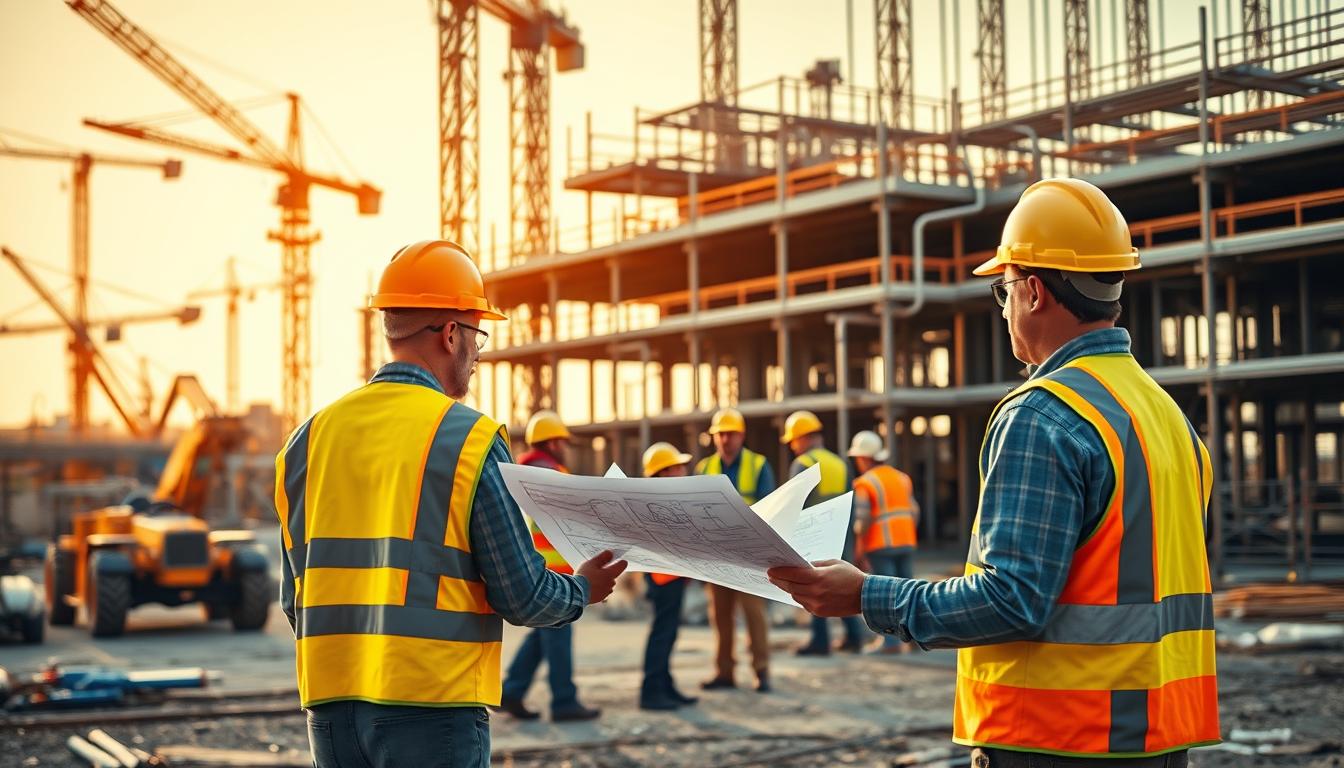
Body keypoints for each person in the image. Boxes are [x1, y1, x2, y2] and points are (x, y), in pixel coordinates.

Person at [769, 179, 1219, 766]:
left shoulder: (1044, 416)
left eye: (1003, 290)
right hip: (1156, 738)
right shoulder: (1166, 417)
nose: (1004, 307)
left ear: (1033, 291)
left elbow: (1011, 600)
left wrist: (866, 595)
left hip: (1057, 739)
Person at [275, 240, 626, 768]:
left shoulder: (308, 438)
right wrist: (581, 590)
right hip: (432, 705)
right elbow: (522, 595)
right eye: (477, 335)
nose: (479, 354)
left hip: (330, 708)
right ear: (450, 333)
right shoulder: (468, 438)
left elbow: (294, 598)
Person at [498, 410, 602, 721]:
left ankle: (512, 691)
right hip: (557, 570)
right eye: (562, 442)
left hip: (540, 566)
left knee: (544, 634)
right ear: (553, 442)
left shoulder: (521, 470)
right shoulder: (552, 473)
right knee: (559, 635)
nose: (565, 447)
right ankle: (564, 702)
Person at [694, 407, 776, 693]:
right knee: (721, 618)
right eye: (720, 434)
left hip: (749, 556)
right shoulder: (704, 468)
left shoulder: (758, 465)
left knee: (754, 615)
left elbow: (770, 509)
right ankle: (724, 672)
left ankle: (761, 671)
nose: (725, 439)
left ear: (742, 435)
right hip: (716, 556)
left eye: (730, 434)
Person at [781, 410, 865, 656]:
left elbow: (794, 505)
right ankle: (854, 637)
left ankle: (820, 641)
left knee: (815, 587)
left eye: (793, 441)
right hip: (842, 536)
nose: (793, 447)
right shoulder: (841, 463)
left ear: (802, 438)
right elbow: (850, 503)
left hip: (815, 537)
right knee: (842, 584)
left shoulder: (802, 464)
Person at [637, 442, 700, 711]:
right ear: (663, 473)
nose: (684, 470)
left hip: (672, 577)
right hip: (664, 579)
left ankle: (664, 685)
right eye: (678, 466)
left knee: (668, 633)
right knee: (662, 634)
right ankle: (651, 691)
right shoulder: (657, 504)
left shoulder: (665, 500)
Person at [846, 431, 919, 654]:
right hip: (906, 541)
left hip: (880, 545)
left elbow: (863, 520)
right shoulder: (901, 477)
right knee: (910, 593)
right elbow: (914, 511)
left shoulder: (865, 483)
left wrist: (858, 550)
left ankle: (890, 642)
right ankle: (916, 638)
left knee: (885, 595)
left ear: (865, 458)